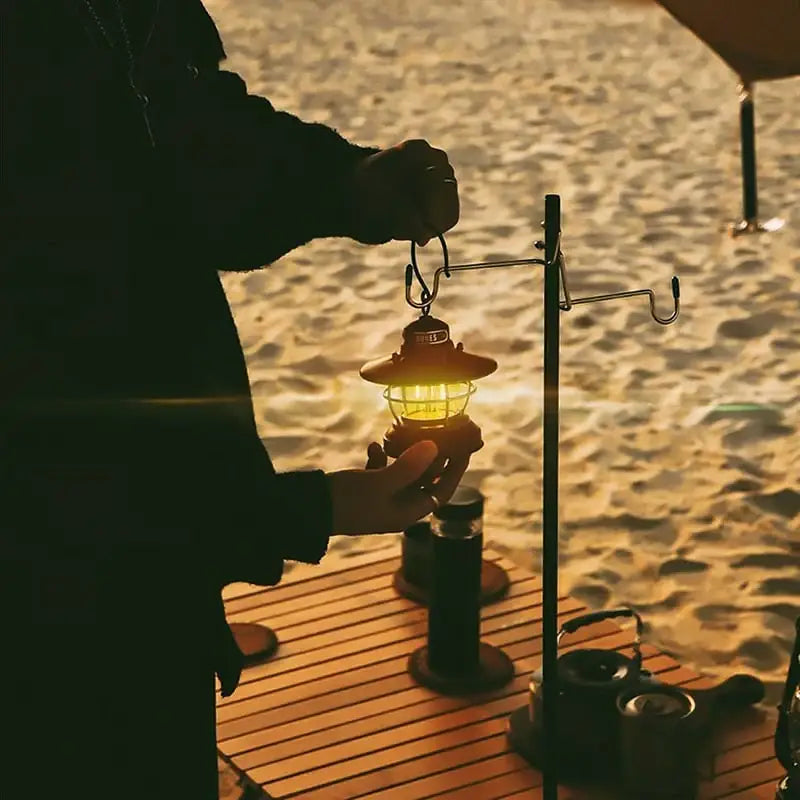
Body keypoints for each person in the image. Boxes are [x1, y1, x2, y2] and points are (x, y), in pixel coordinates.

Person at [1, 2, 473, 799]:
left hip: (159, 620)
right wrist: (309, 510)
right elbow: (55, 486)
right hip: (50, 654)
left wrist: (347, 183)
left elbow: (180, 130)